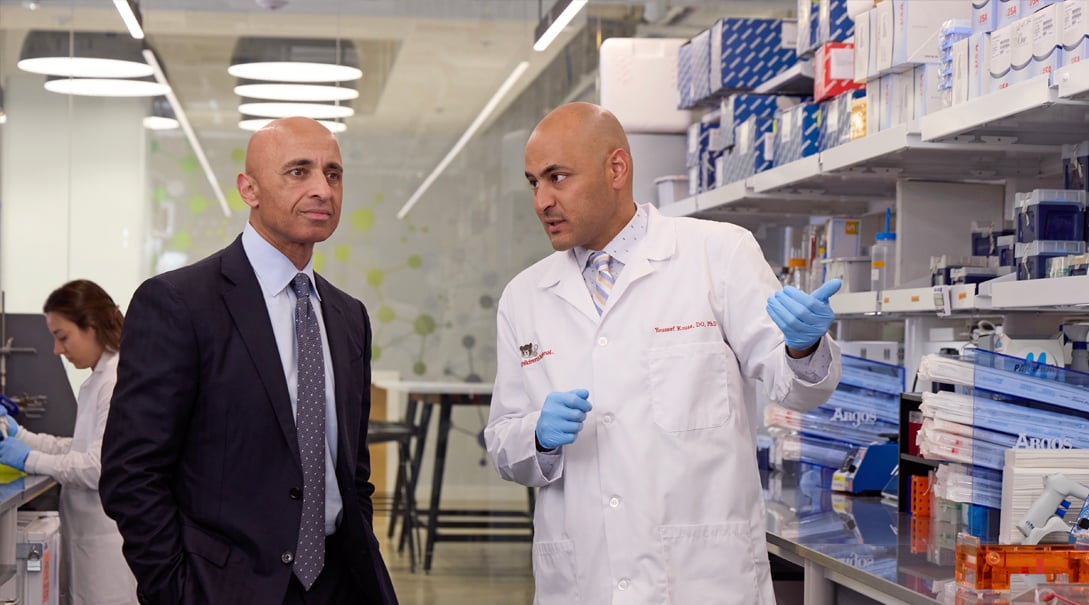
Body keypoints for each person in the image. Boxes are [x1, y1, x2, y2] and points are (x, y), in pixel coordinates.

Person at [484, 102, 843, 605]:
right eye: (533, 183)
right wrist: (537, 438)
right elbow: (503, 443)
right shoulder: (525, 297)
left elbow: (796, 388)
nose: (542, 200)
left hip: (703, 579)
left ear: (616, 169)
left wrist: (804, 345)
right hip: (584, 581)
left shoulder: (717, 254)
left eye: (557, 177)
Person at [99, 117, 398, 605]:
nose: (322, 189)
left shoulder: (348, 317)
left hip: (339, 584)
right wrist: (176, 590)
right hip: (222, 588)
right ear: (249, 189)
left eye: (333, 173)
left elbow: (352, 470)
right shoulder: (179, 303)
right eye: (299, 172)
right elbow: (131, 473)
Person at [0, 279, 138, 605]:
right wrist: (21, 435)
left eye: (62, 337)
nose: (57, 351)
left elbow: (97, 468)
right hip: (90, 543)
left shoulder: (116, 381)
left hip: (107, 552)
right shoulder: (98, 380)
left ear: (91, 325)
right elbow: (79, 448)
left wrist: (28, 459)